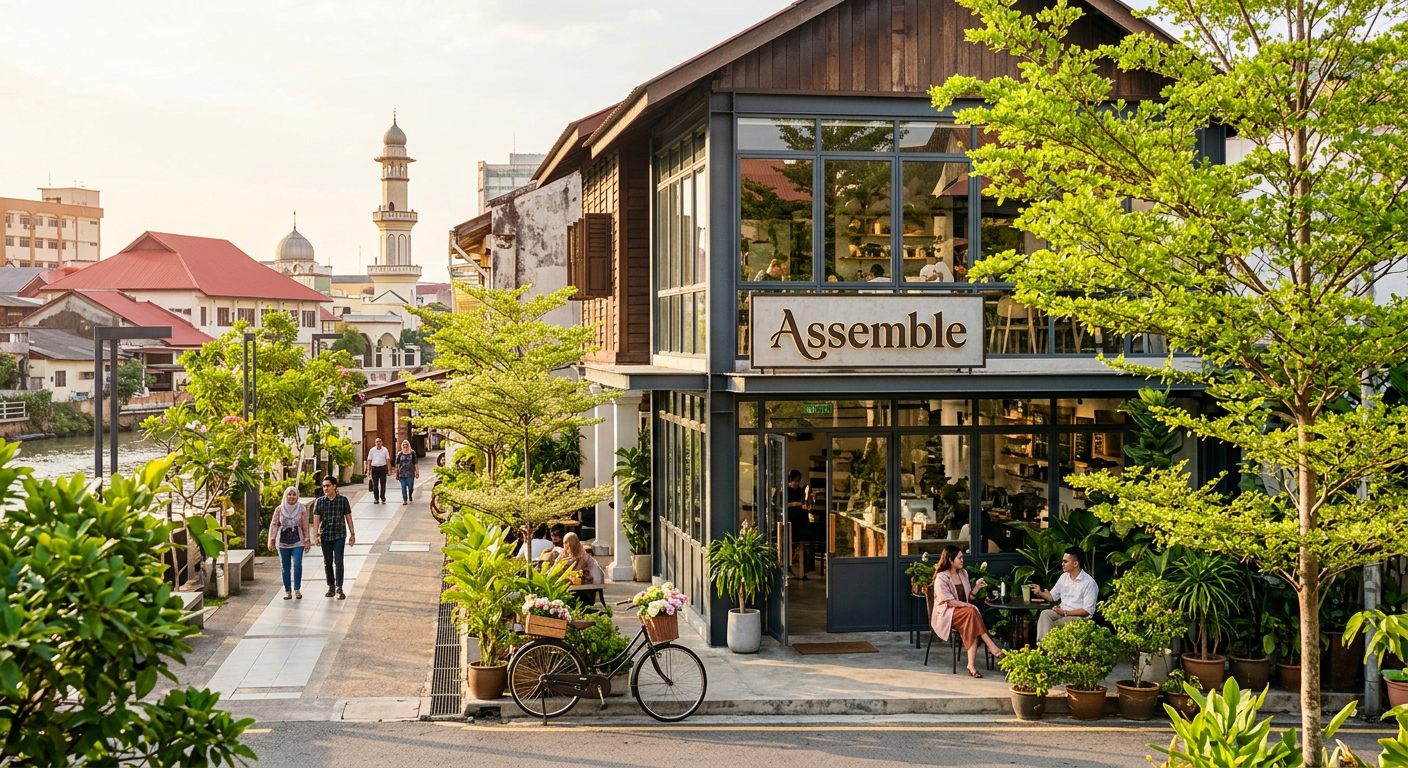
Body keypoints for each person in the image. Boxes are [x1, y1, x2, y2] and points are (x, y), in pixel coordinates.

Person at [930, 545, 1006, 677]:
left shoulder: (963, 573)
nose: (962, 560)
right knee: (971, 612)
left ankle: (971, 666)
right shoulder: (941, 578)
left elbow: (969, 598)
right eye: (959, 558)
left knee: (970, 619)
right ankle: (991, 646)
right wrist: (969, 606)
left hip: (964, 614)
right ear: (950, 560)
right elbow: (950, 602)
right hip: (947, 614)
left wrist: (976, 587)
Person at [1031, 547, 1099, 640]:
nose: (1062, 564)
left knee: (1053, 625)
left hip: (1079, 617)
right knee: (1045, 614)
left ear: (1075, 564)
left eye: (1065, 561)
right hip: (1062, 612)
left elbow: (1087, 611)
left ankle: (1048, 649)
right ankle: (1042, 647)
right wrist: (1040, 592)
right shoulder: (1064, 577)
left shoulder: (1089, 583)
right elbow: (1052, 597)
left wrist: (1065, 613)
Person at [312, 476, 356, 599]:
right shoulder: (320, 501)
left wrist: (352, 534)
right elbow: (316, 519)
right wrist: (315, 535)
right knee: (327, 562)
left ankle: (339, 587)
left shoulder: (343, 500)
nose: (325, 488)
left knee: (338, 561)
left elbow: (348, 517)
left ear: (334, 486)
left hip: (339, 535)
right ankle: (330, 586)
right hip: (325, 535)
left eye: (328, 485)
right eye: (324, 486)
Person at [267, 486, 310, 600]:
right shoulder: (279, 509)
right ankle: (288, 591)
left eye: (294, 494)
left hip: (298, 541)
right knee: (285, 567)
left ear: (297, 496)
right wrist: (271, 539)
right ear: (285, 496)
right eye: (289, 494)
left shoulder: (302, 509)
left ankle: (297, 589)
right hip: (283, 542)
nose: (291, 497)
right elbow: (274, 524)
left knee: (297, 564)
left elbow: (305, 525)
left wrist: (307, 540)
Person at [786, 470, 812, 579]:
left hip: (801, 520)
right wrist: (798, 504)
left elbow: (807, 502)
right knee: (790, 544)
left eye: (798, 481)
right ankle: (789, 566)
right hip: (791, 521)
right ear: (790, 480)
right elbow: (785, 504)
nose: (796, 483)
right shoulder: (786, 491)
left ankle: (802, 569)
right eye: (794, 481)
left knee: (802, 544)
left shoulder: (802, 491)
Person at [364, 437, 390, 504]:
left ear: (382, 442)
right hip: (374, 468)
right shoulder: (372, 450)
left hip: (382, 468)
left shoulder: (385, 450)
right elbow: (369, 460)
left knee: (383, 484)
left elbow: (387, 460)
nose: (378, 443)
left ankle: (383, 498)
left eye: (379, 441)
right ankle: (376, 498)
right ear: (375, 443)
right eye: (377, 442)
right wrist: (368, 470)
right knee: (375, 484)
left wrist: (389, 469)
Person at [395, 439, 419, 504]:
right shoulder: (400, 454)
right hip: (402, 474)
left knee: (410, 487)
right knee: (403, 487)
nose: (405, 446)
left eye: (406, 444)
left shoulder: (412, 453)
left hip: (410, 474)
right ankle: (405, 500)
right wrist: (396, 473)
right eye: (404, 444)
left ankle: (410, 496)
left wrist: (417, 472)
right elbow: (397, 464)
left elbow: (415, 463)